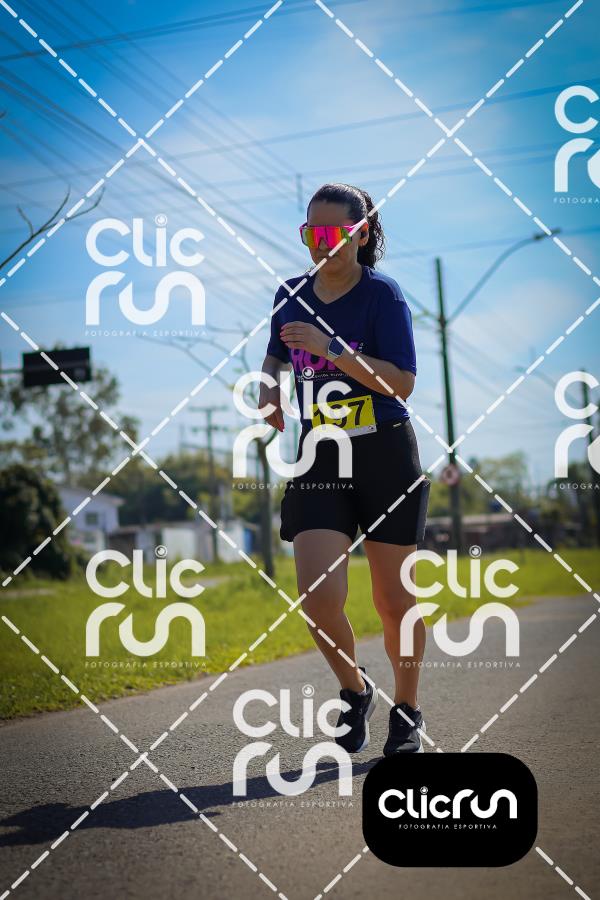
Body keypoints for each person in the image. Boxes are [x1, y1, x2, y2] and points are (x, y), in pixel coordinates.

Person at [258, 183, 430, 755]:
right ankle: (356, 691)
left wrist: (332, 349)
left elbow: (401, 383)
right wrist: (269, 387)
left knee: (393, 601)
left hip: (384, 453)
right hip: (322, 454)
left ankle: (407, 710)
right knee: (318, 596)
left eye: (333, 233)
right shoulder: (291, 293)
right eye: (312, 232)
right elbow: (276, 351)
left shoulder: (383, 295)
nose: (321, 243)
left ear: (360, 234)